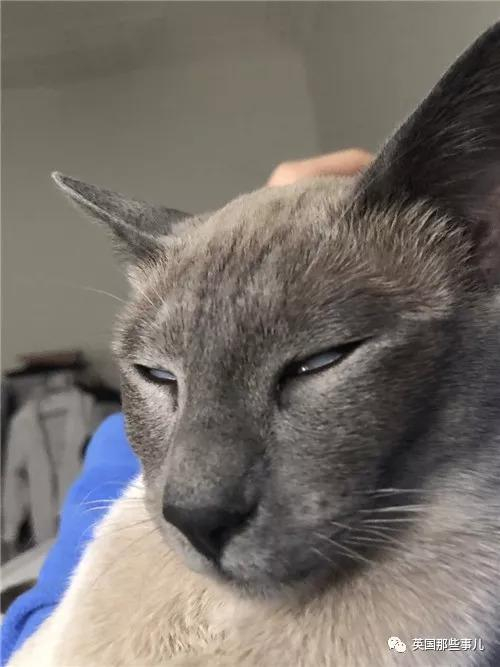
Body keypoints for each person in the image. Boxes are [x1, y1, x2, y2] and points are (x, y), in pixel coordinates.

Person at [0, 149, 373, 665]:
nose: (191, 496)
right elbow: (29, 638)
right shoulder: (114, 443)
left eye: (316, 361)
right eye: (157, 375)